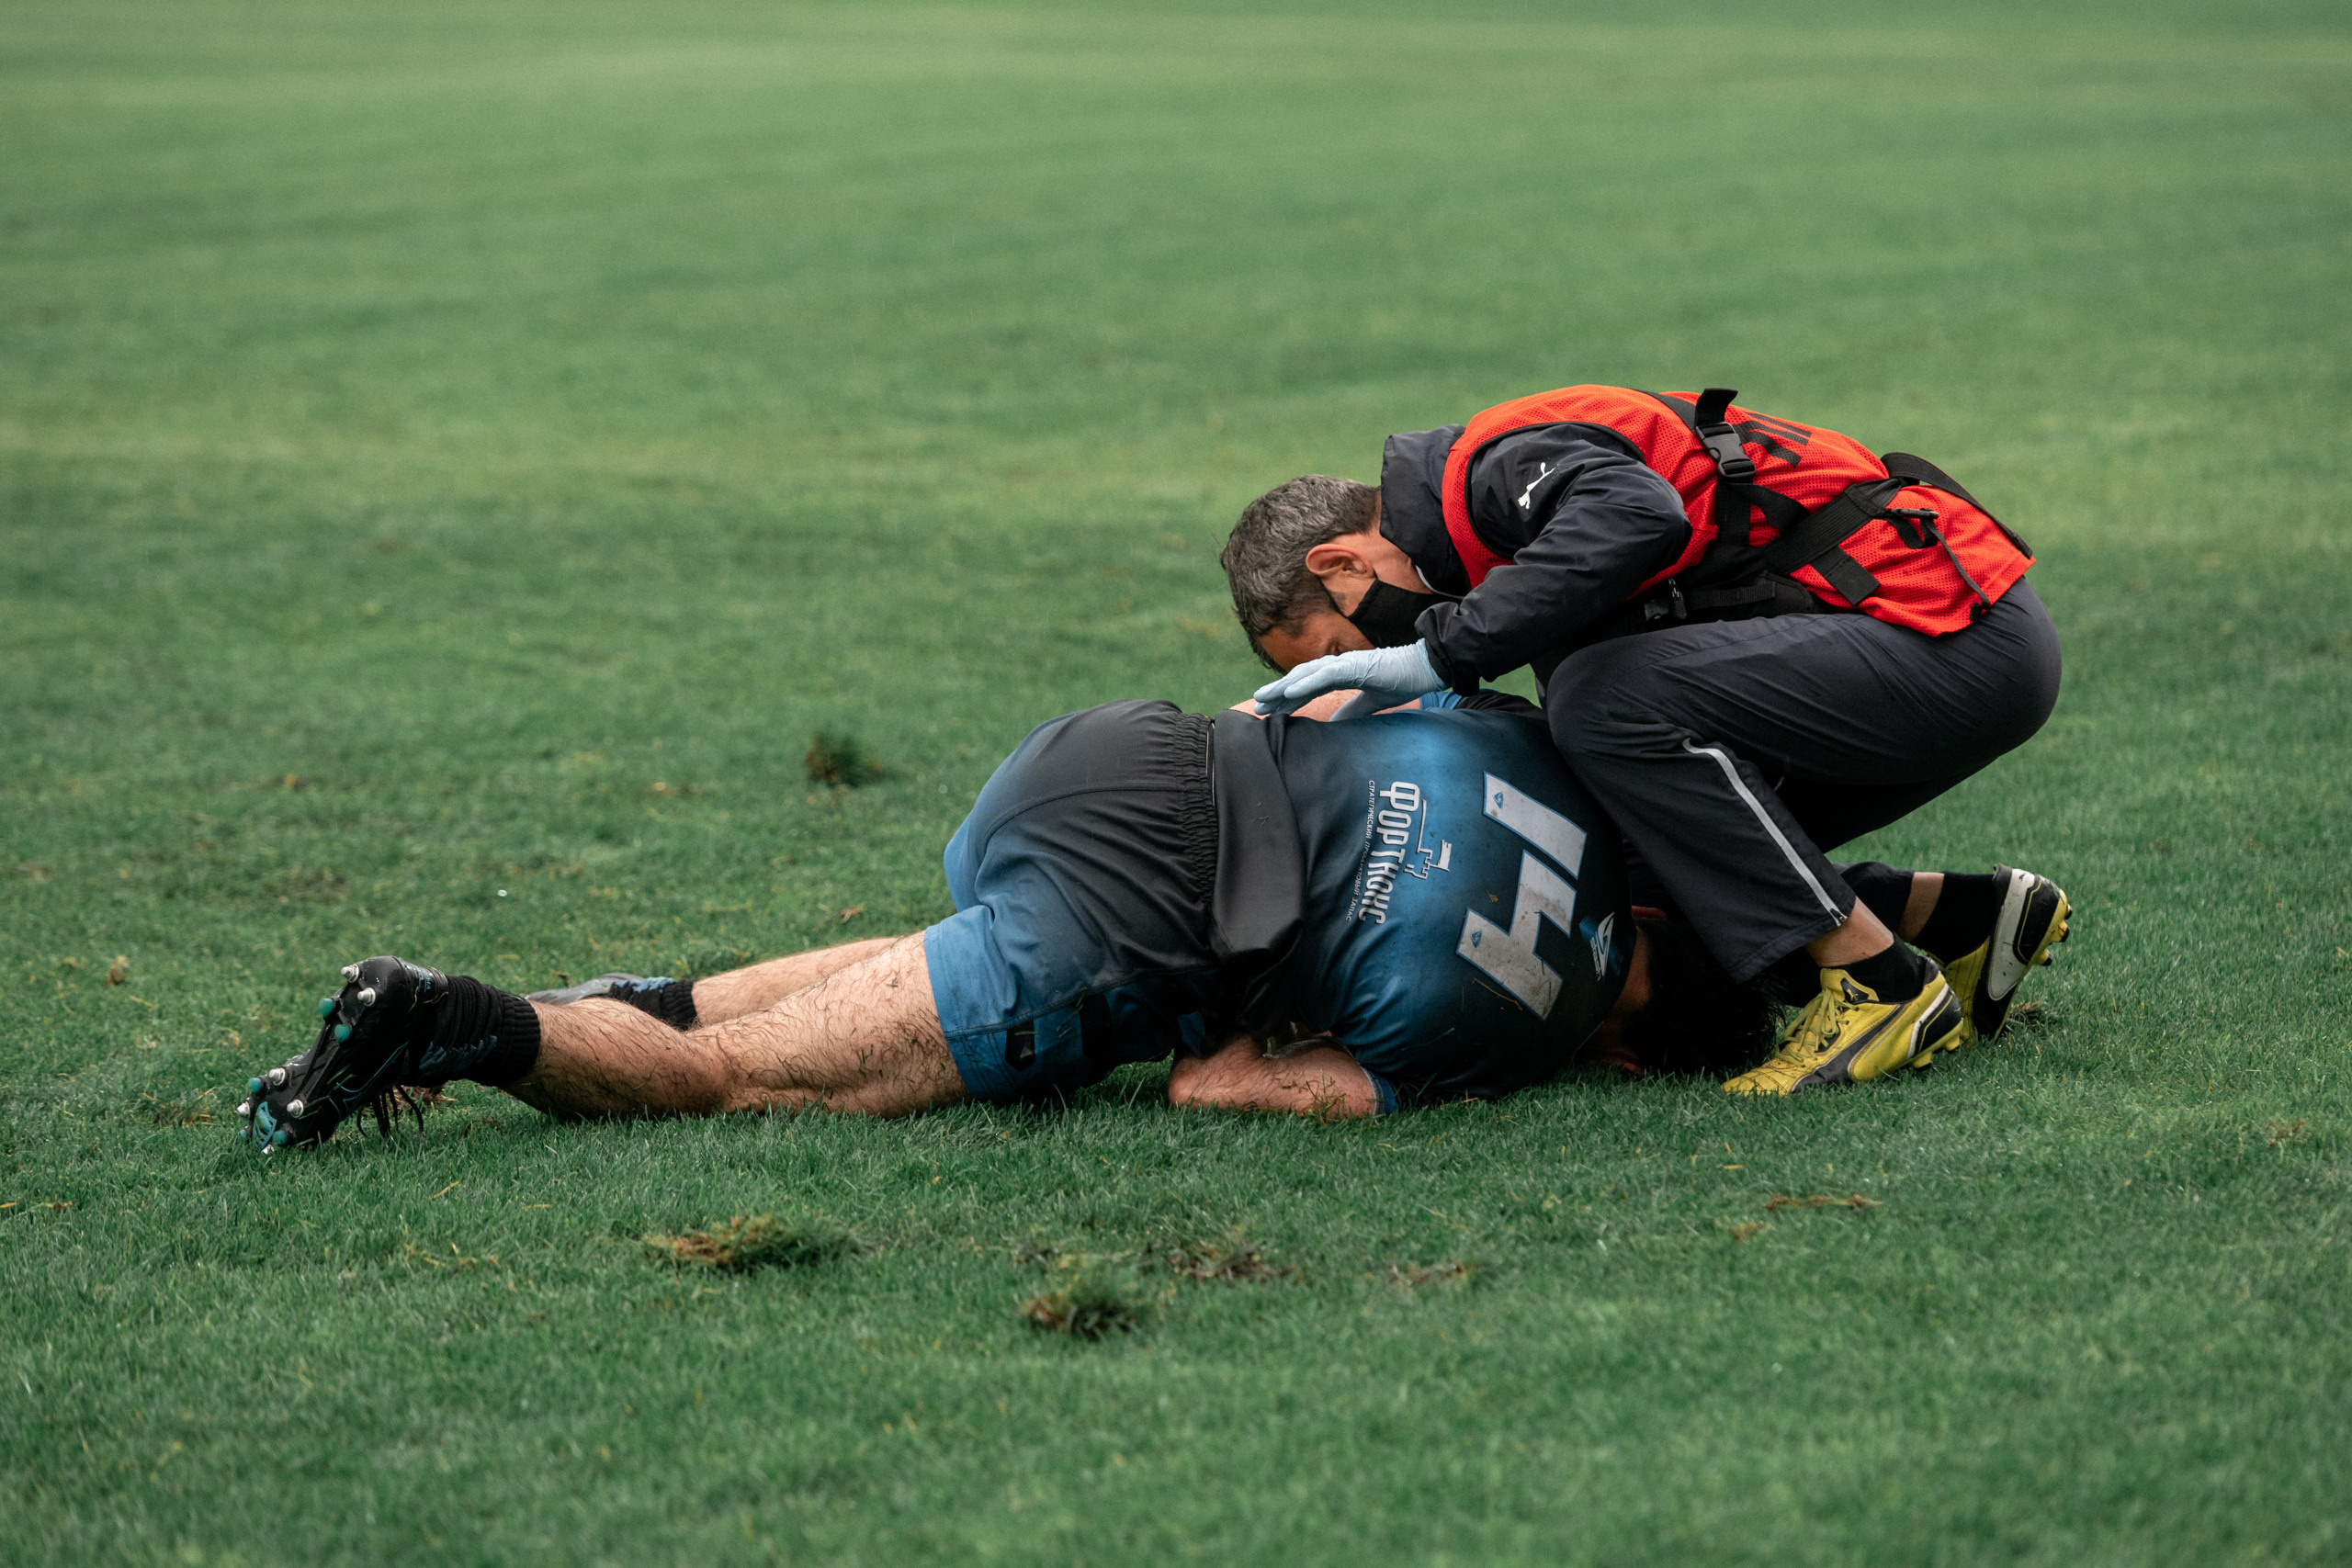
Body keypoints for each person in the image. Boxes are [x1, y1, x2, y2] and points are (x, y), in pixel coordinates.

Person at [235, 691, 1788, 1151]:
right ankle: (449, 1020)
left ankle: (643, 1001)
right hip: (1132, 918)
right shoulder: (1507, 1038)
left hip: (1107, 757)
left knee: (942, 948)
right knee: (740, 1089)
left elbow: (1329, 704)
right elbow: (1214, 1087)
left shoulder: (1559, 758)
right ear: (1637, 1057)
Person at [1222, 385, 2069, 1094]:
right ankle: (1959, 916)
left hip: (1955, 635)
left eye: (1339, 654)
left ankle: (1877, 981)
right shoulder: (1486, 555)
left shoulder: (1486, 472)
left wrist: (1439, 652)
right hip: (1930, 642)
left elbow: (1639, 512)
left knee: (1597, 702)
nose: (1367, 670)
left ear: (1342, 566)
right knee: (1614, 850)